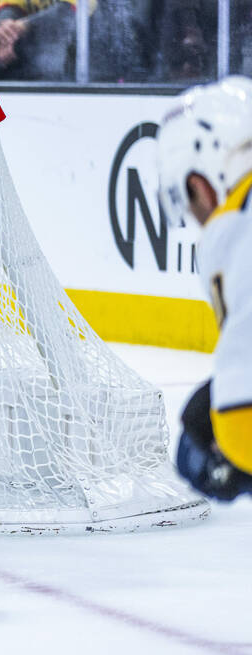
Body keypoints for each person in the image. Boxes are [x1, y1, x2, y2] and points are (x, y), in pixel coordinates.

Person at [156, 75, 252, 502]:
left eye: (190, 203)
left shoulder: (237, 227)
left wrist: (223, 454)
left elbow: (241, 424)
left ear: (201, 182)